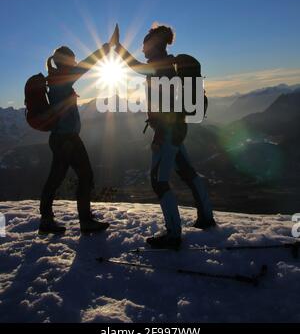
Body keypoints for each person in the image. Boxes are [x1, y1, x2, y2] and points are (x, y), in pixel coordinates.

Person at [113, 24, 216, 249]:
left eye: (145, 46)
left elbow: (136, 69)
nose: (143, 50)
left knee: (158, 181)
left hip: (168, 131)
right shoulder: (168, 65)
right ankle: (206, 217)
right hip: (179, 129)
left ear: (154, 46)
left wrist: (117, 47)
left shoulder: (159, 68)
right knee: (188, 172)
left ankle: (173, 234)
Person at [39, 40, 113, 234]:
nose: (74, 63)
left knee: (55, 179)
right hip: (68, 139)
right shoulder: (63, 78)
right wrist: (105, 49)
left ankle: (46, 220)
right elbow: (87, 65)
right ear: (66, 61)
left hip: (59, 138)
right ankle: (86, 221)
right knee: (86, 175)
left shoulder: (55, 78)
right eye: (72, 60)